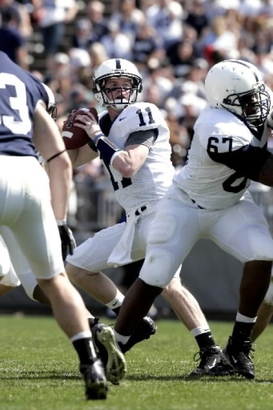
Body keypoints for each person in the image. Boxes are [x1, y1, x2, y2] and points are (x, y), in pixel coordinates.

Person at [64, 57, 232, 376]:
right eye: (112, 85)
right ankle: (134, 319)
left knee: (168, 282)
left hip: (165, 211)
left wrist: (96, 135)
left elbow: (128, 164)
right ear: (99, 91)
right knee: (77, 267)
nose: (120, 91)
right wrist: (67, 132)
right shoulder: (104, 122)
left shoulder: (143, 114)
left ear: (136, 88)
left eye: (126, 85)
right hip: (135, 219)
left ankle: (212, 352)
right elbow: (71, 161)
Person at [111, 58, 273, 380]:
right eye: (247, 100)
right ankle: (112, 346)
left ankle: (238, 347)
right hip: (185, 205)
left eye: (258, 95)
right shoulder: (216, 125)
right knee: (156, 276)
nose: (257, 104)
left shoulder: (249, 105)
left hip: (231, 205)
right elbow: (266, 171)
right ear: (224, 102)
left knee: (264, 254)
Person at [0, 51, 126, 400]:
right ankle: (91, 363)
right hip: (29, 177)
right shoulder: (27, 82)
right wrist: (58, 220)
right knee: (55, 281)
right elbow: (59, 161)